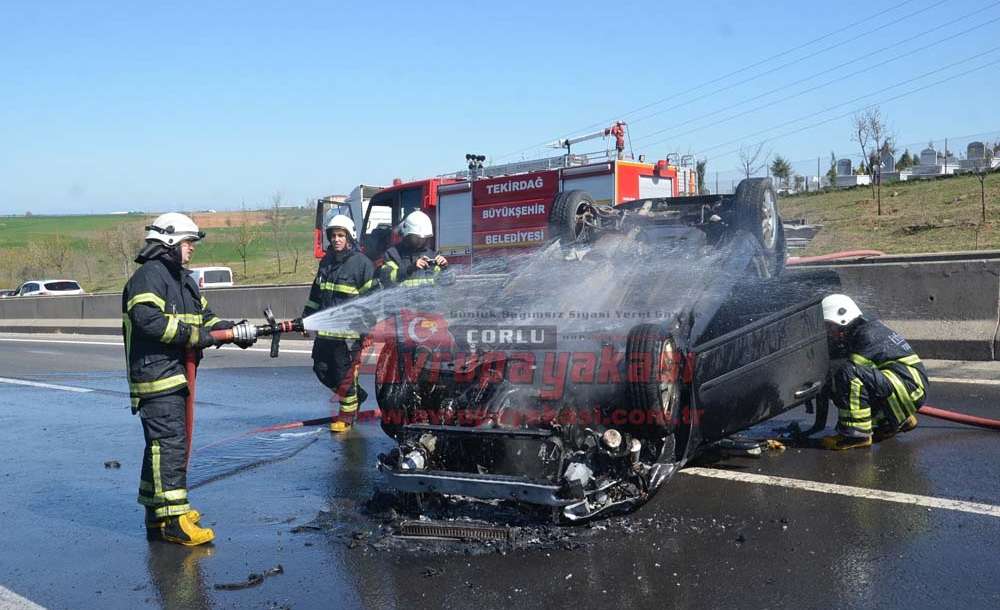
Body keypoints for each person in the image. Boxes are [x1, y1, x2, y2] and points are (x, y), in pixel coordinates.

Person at [123, 212, 256, 546]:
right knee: (170, 444)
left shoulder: (183, 281)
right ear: (169, 241)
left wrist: (236, 330)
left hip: (174, 374)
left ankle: (157, 511)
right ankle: (175, 520)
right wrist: (194, 336)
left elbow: (207, 320)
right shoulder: (148, 277)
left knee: (161, 446)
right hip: (156, 376)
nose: (192, 248)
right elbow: (147, 320)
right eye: (188, 242)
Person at [819, 294, 929, 450]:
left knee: (847, 374)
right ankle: (895, 421)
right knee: (856, 377)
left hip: (907, 387)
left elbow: (850, 378)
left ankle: (856, 436)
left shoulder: (867, 336)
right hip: (909, 388)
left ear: (843, 319)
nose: (829, 332)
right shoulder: (866, 328)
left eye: (830, 326)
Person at [302, 214, 376, 433]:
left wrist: (367, 329)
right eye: (333, 235)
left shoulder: (362, 264)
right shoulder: (326, 263)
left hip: (348, 336)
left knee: (345, 377)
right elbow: (316, 295)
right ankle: (356, 396)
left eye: (341, 235)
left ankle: (346, 417)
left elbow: (371, 300)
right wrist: (306, 319)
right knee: (321, 370)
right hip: (325, 333)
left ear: (349, 237)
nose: (336, 239)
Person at [377, 210, 451, 288]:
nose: (420, 241)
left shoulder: (432, 255)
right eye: (416, 238)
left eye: (423, 238)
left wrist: (444, 268)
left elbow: (449, 283)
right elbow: (386, 279)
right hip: (402, 296)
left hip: (429, 296)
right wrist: (410, 269)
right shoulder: (393, 254)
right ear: (407, 234)